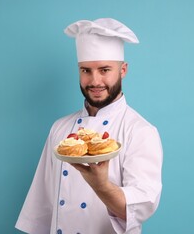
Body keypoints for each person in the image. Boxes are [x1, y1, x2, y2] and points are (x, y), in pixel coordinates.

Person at [15, 18, 163, 234]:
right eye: (86, 70)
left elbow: (139, 209)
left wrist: (100, 185)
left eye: (104, 70)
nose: (95, 81)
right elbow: (41, 206)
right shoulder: (61, 128)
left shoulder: (140, 131)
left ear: (123, 70)